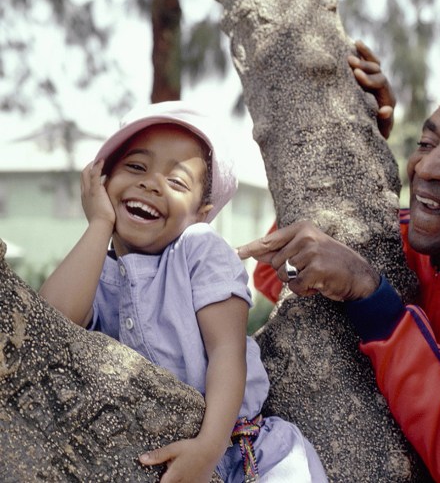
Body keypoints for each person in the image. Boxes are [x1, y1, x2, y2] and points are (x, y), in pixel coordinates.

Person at [238, 43, 440, 482]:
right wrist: (363, 156)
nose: (427, 167)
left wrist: (374, 300)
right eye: (426, 142)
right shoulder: (402, 229)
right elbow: (271, 277)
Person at [39, 101, 327, 483]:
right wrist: (99, 223)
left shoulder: (198, 248)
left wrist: (208, 448)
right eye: (136, 167)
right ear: (103, 181)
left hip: (244, 452)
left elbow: (228, 351)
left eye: (176, 182)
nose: (151, 183)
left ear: (201, 212)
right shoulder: (97, 271)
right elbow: (48, 324)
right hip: (153, 459)